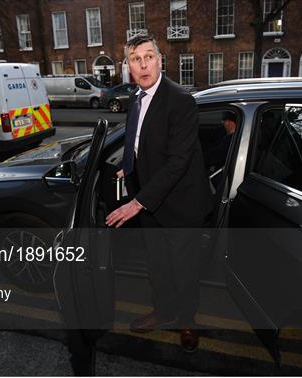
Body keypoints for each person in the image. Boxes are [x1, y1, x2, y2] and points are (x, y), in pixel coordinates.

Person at [105, 35, 212, 352]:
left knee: (184, 270)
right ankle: (163, 312)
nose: (142, 64)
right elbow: (139, 142)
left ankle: (187, 321)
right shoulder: (136, 98)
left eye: (148, 57)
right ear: (128, 67)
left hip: (181, 205)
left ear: (160, 61)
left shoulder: (180, 100)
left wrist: (136, 203)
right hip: (152, 203)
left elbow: (178, 162)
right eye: (135, 59)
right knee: (158, 266)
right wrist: (129, 167)